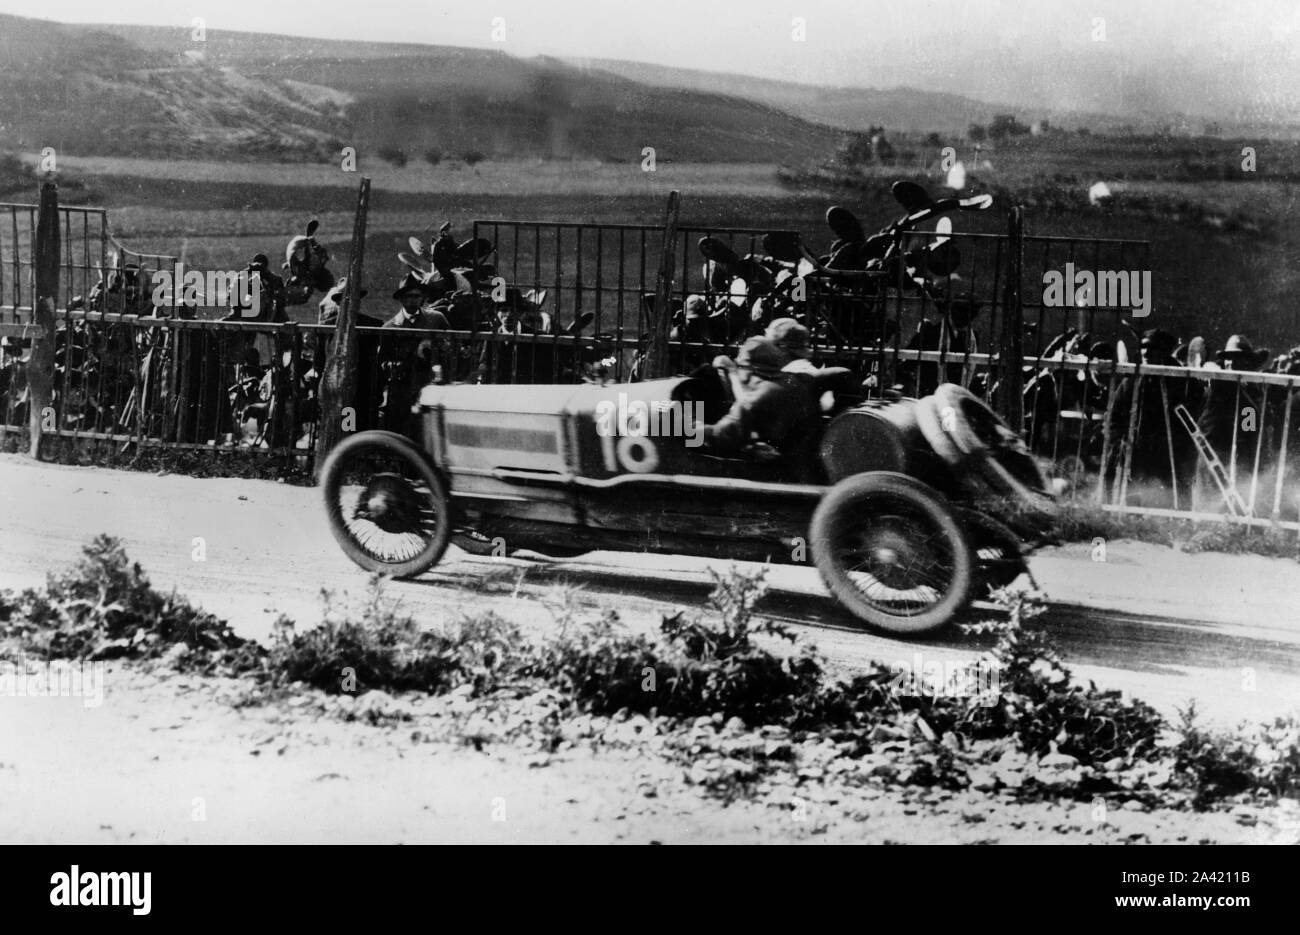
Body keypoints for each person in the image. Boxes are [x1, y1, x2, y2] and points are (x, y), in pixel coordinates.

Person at [702, 336, 820, 478]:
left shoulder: (755, 399)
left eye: (739, 366)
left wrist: (687, 425)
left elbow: (722, 437)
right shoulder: (796, 384)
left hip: (777, 474)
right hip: (802, 466)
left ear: (749, 369)